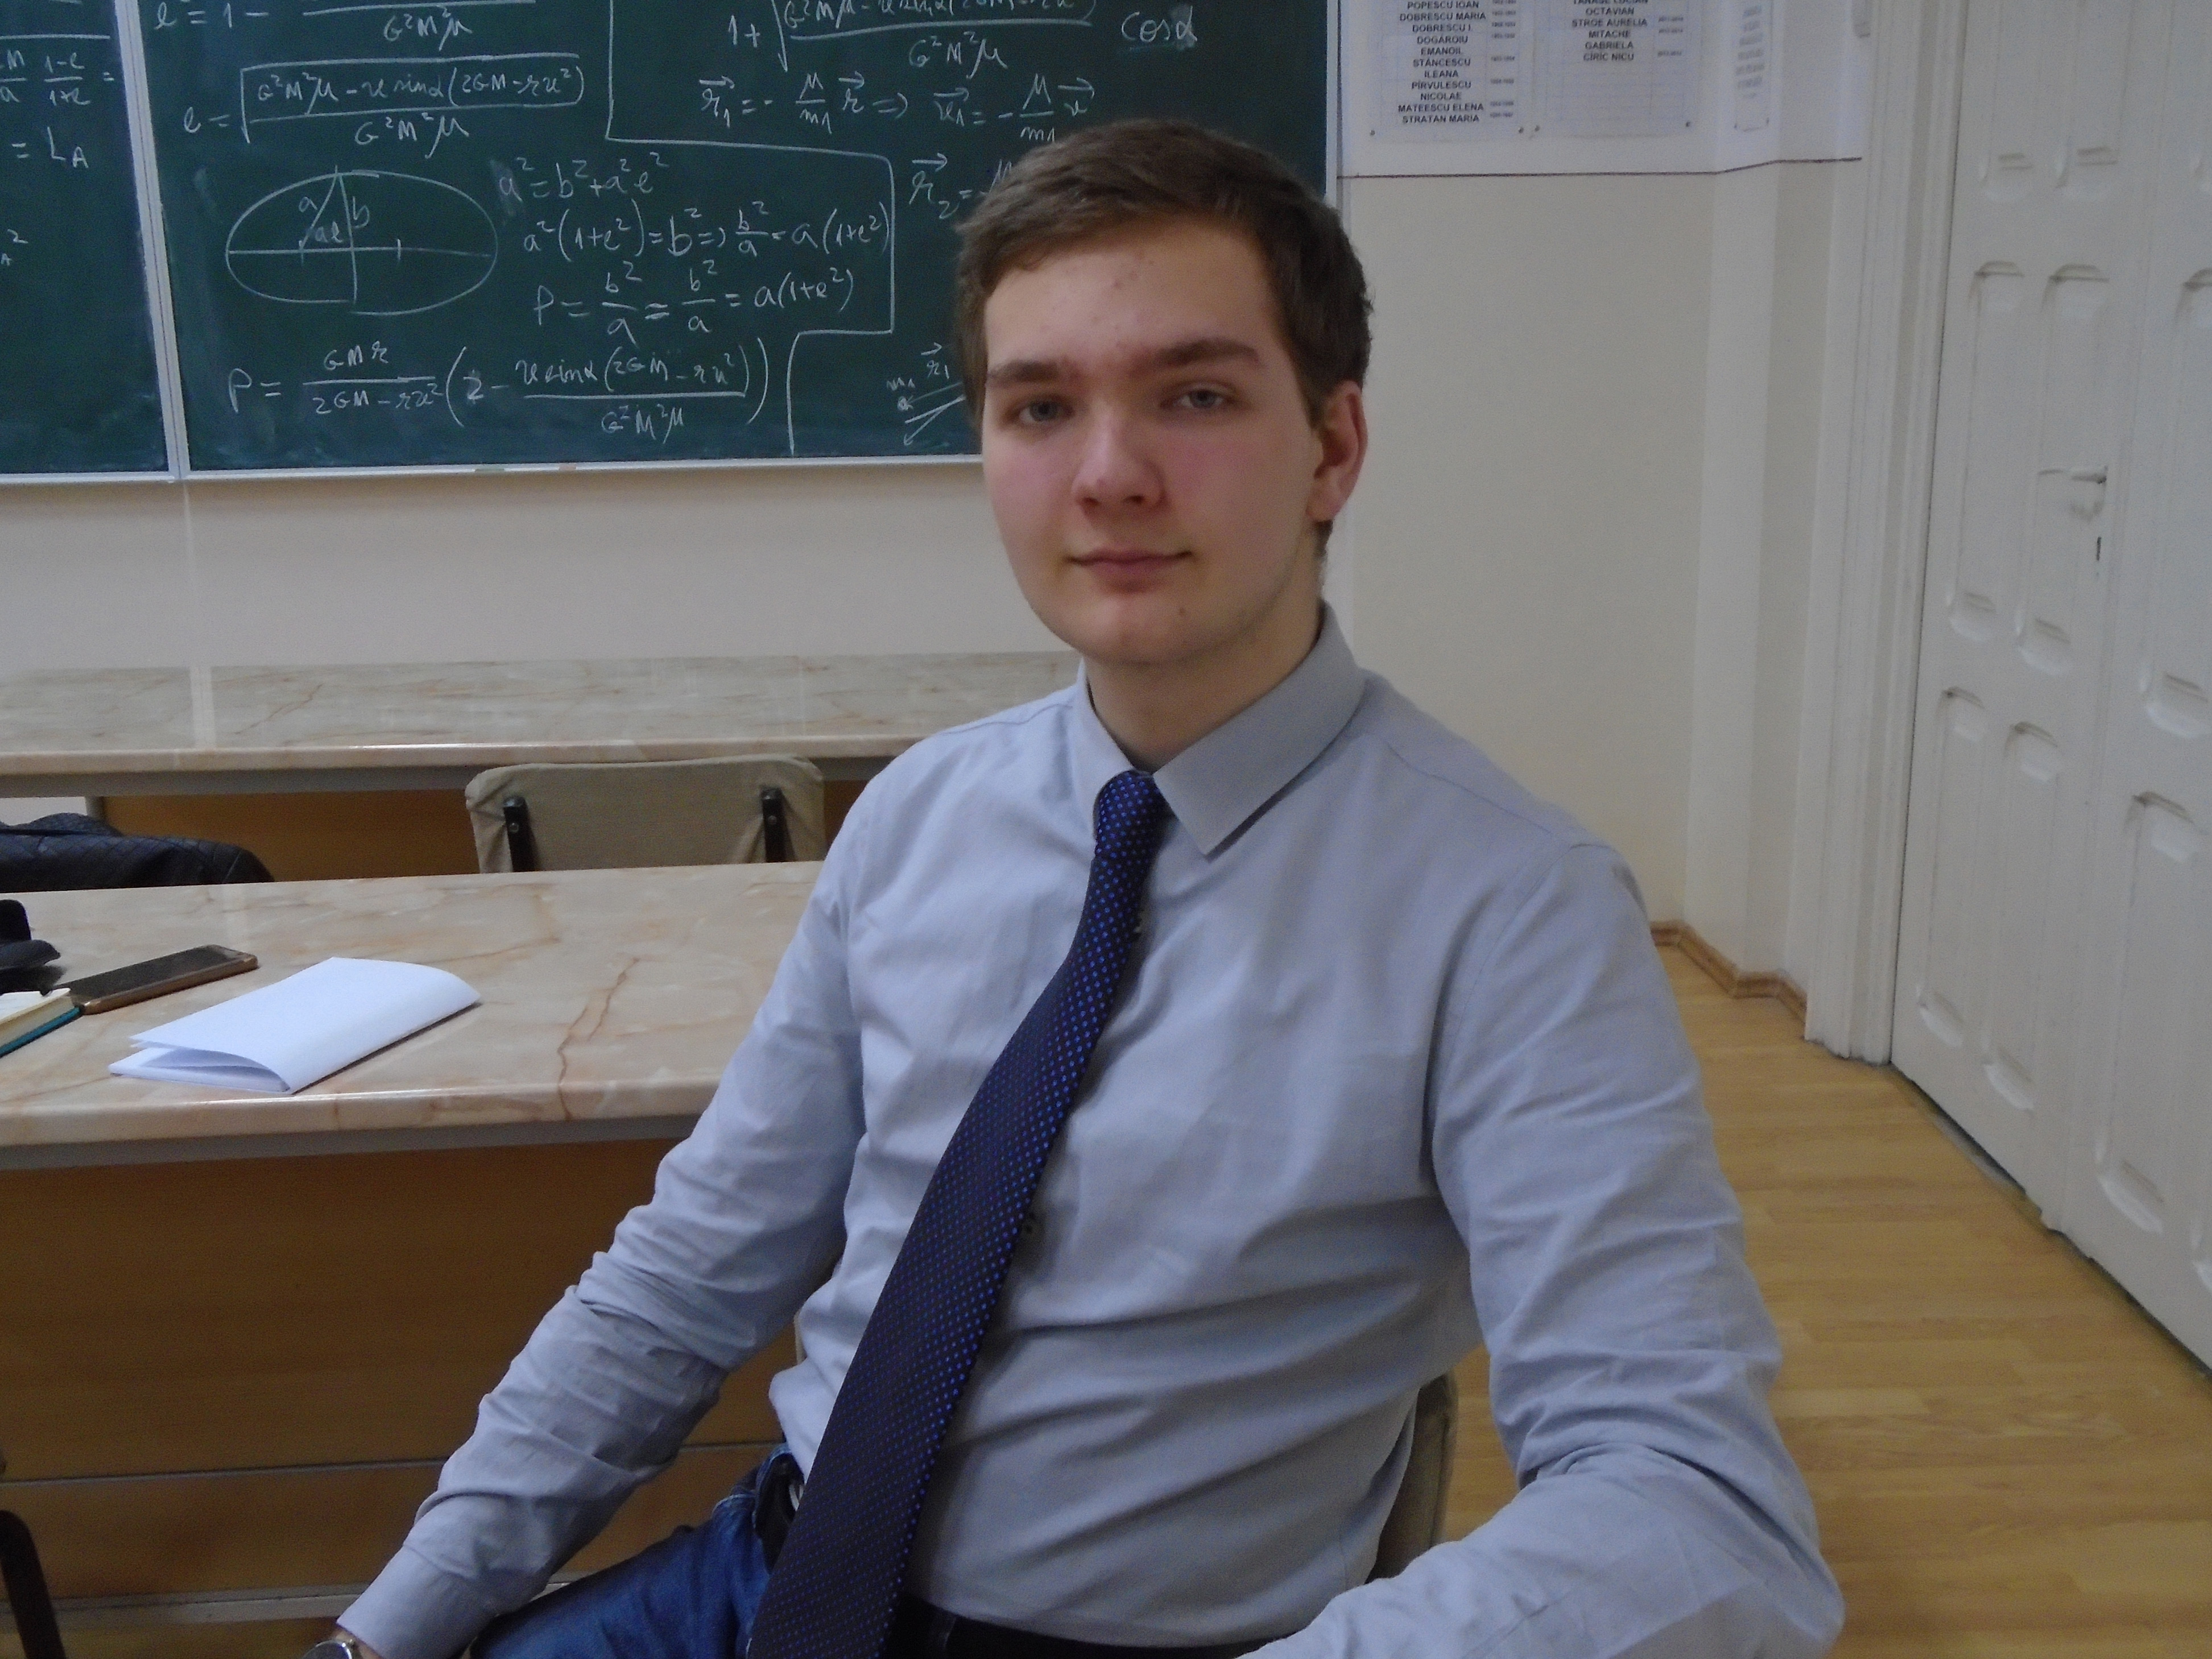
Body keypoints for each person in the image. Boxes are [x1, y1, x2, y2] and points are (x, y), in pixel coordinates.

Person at [317, 120, 1844, 1659]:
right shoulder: (918, 818)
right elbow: (688, 1274)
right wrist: (387, 1632)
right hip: (769, 1574)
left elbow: (1696, 1506)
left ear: (1332, 449)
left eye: (1196, 396)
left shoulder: (1513, 910)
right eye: (1040, 407)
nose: (1110, 476)